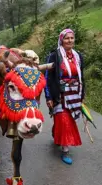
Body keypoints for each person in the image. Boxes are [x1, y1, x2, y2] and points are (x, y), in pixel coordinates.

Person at [44, 28, 85, 165]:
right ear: (61, 40)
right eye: (67, 38)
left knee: (69, 119)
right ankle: (65, 150)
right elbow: (47, 78)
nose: (70, 40)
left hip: (74, 93)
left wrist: (82, 94)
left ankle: (57, 134)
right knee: (63, 119)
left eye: (72, 38)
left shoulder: (78, 56)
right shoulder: (54, 56)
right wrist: (48, 97)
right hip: (59, 94)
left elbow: (81, 77)